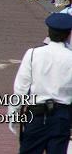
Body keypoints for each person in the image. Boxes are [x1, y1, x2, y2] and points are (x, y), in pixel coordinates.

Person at [9, 13, 72, 153]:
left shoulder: (33, 54)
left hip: (36, 115)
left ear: (49, 33)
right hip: (62, 116)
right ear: (68, 34)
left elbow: (21, 89)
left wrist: (13, 114)